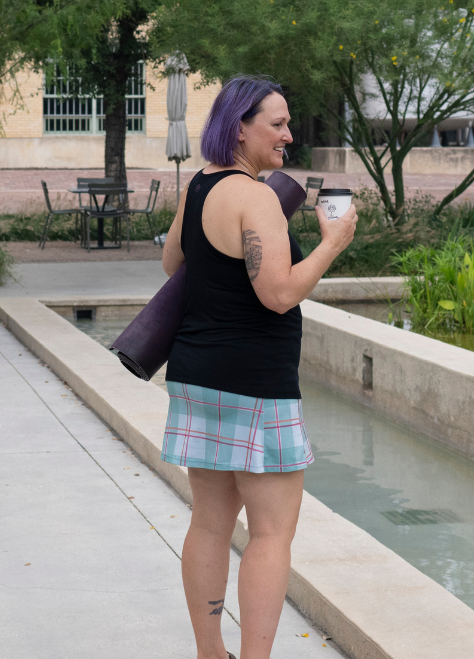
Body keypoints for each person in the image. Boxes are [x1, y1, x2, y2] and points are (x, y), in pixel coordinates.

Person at [159, 75, 357, 659]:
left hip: (197, 375)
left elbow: (174, 263)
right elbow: (278, 294)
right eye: (277, 123)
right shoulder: (258, 196)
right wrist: (331, 244)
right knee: (271, 534)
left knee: (210, 522)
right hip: (257, 386)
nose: (288, 135)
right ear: (239, 126)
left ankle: (209, 652)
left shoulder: (198, 186)